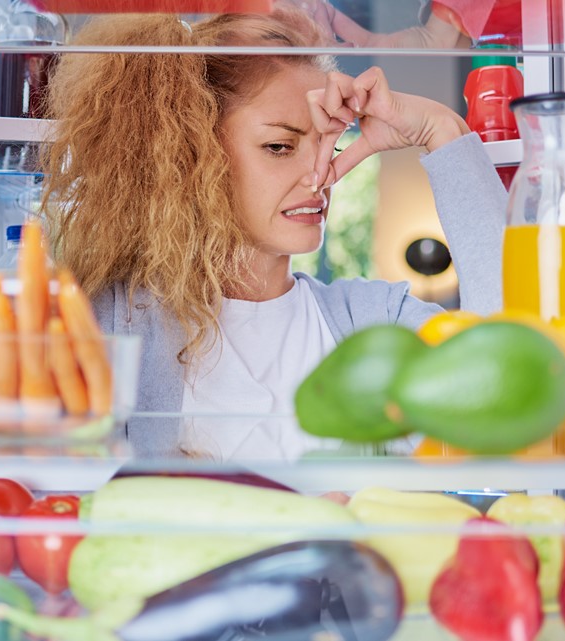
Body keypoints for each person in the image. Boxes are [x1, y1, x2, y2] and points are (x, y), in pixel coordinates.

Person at [38, 3, 506, 459]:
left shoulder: (375, 320)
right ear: (194, 156)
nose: (319, 174)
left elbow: (512, 369)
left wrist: (441, 130)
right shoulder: (109, 319)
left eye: (329, 145)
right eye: (280, 146)